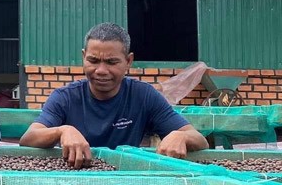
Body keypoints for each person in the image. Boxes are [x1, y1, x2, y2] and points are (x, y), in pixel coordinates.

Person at [19, 22, 209, 168]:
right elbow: (29, 138)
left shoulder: (143, 96)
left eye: (111, 62)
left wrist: (180, 136)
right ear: (84, 56)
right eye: (93, 60)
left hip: (126, 179)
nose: (101, 70)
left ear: (128, 61)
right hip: (73, 177)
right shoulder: (65, 97)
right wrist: (62, 131)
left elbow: (200, 140)